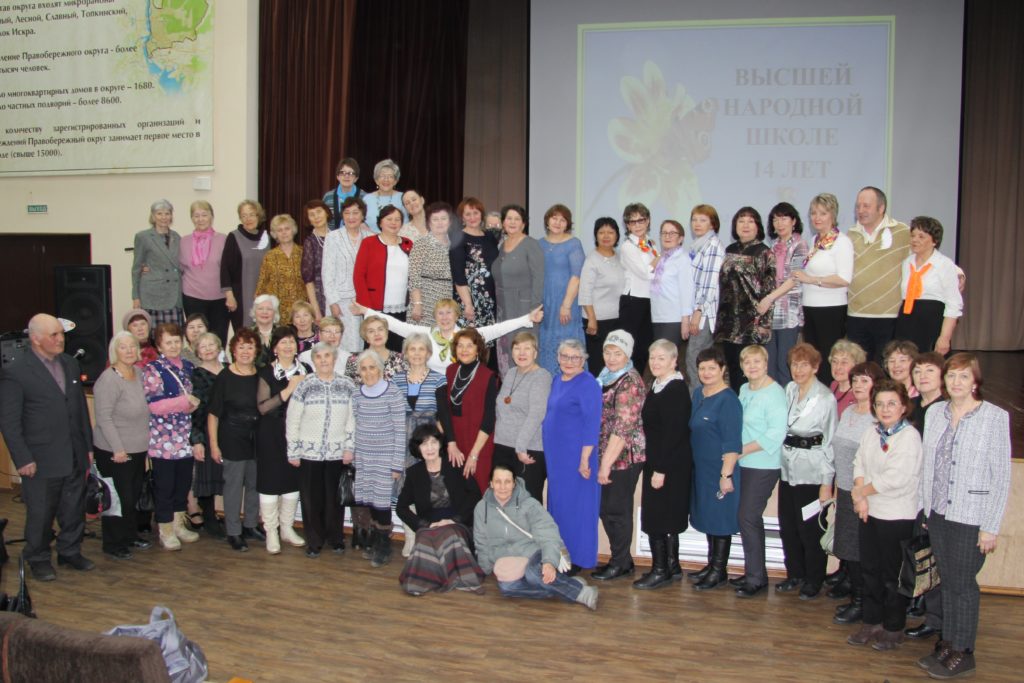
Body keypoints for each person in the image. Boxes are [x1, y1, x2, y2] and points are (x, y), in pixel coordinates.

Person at [918, 353, 1011, 679]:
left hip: (971, 515)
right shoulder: (935, 413)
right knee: (947, 581)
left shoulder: (994, 417)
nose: (956, 382)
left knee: (963, 585)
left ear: (975, 382)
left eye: (963, 376)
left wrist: (990, 527)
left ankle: (964, 652)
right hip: (939, 512)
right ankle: (949, 643)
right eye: (951, 376)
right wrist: (926, 508)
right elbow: (928, 465)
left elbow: (1001, 477)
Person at [0, 314, 94, 581]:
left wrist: (87, 446)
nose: (60, 339)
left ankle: (70, 551)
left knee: (73, 509)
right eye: (53, 335)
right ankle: (38, 557)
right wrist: (22, 458)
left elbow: (79, 409)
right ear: (35, 338)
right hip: (41, 457)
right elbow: (9, 421)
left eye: (61, 333)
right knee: (41, 513)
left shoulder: (69, 364)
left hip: (74, 451)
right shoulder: (16, 371)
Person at [846, 379, 922, 651]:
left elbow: (896, 478)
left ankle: (893, 627)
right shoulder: (871, 432)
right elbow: (859, 463)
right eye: (879, 404)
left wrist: (860, 493)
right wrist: (861, 496)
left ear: (903, 407)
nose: (885, 409)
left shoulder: (909, 437)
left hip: (897, 515)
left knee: (892, 576)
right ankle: (872, 621)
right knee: (870, 571)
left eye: (891, 404)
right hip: (869, 510)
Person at [473, 464, 599, 610]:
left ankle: (583, 593)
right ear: (491, 483)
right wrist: (486, 569)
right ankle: (568, 585)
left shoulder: (530, 504)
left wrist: (549, 562)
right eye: (498, 481)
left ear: (514, 483)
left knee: (533, 573)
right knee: (507, 588)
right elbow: (481, 541)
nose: (502, 487)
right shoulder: (481, 508)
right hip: (508, 560)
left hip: (534, 552)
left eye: (507, 481)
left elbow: (548, 533)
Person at [776, 342, 836, 600]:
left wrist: (826, 482)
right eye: (794, 365)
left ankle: (814, 579)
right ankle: (795, 574)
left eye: (804, 365)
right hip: (787, 468)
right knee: (788, 526)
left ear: (815, 367)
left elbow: (829, 442)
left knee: (810, 529)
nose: (798, 370)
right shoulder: (789, 389)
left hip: (812, 471)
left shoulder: (825, 398)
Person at [286, 342, 357, 558]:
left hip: (337, 453)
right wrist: (293, 451)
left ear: (335, 359)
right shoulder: (304, 385)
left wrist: (349, 447)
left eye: (328, 356)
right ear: (313, 360)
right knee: (311, 499)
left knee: (335, 499)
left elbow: (352, 419)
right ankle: (314, 541)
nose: (324, 360)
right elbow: (292, 419)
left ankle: (336, 538)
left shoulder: (347, 384)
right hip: (309, 453)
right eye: (319, 357)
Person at [397, 424, 484, 596]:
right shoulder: (414, 473)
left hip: (457, 523)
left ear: (440, 444)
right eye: (424, 444)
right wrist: (424, 525)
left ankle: (457, 579)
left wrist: (455, 520)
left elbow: (475, 494)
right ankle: (422, 581)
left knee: (449, 534)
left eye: (433, 442)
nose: (429, 448)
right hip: (431, 526)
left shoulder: (455, 463)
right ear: (418, 448)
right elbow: (401, 507)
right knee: (424, 537)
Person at [633, 339, 692, 590]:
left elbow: (674, 434)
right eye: (652, 357)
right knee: (663, 514)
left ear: (673, 361)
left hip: (668, 464)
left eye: (661, 358)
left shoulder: (675, 389)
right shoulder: (658, 385)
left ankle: (660, 570)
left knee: (658, 516)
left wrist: (661, 470)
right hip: (658, 460)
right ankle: (672, 565)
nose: (655, 362)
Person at [830, 360, 886, 625]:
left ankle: (863, 603)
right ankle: (857, 597)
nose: (858, 385)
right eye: (855, 380)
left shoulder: (878, 418)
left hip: (865, 494)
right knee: (849, 550)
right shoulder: (849, 412)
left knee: (862, 552)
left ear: (876, 384)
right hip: (844, 489)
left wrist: (862, 493)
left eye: (865, 380)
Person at [354, 298, 541, 375]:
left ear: (456, 315)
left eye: (449, 313)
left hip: (460, 387)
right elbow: (396, 325)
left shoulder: (466, 336)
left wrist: (527, 319)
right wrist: (367, 311)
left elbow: (498, 329)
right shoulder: (426, 334)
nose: (444, 318)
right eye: (440, 313)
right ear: (435, 317)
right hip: (433, 389)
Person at [542, 339, 602, 573]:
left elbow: (591, 424)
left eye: (575, 357)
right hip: (557, 457)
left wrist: (585, 459)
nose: (569, 361)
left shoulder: (588, 384)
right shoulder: (557, 380)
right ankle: (560, 556)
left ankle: (578, 559)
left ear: (583, 360)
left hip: (577, 457)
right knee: (559, 506)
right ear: (558, 358)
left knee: (578, 509)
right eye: (565, 356)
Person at [592, 330, 646, 581]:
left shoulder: (630, 382)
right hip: (608, 453)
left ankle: (620, 562)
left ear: (628, 355)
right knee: (607, 509)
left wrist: (605, 464)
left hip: (623, 457)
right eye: (608, 352)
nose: (611, 358)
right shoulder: (605, 376)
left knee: (616, 510)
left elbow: (623, 427)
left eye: (618, 353)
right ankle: (622, 560)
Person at [687, 345, 743, 591]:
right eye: (702, 368)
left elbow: (732, 443)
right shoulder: (699, 394)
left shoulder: (729, 401)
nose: (706, 373)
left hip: (720, 469)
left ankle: (720, 571)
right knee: (708, 515)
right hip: (701, 469)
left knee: (720, 519)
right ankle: (711, 565)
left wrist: (726, 475)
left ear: (722, 370)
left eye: (712, 368)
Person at [733, 344, 787, 597]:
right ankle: (752, 572)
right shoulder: (744, 389)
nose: (752, 366)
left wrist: (741, 450)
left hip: (763, 464)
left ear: (766, 364)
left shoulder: (775, 393)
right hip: (744, 462)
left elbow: (776, 433)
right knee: (745, 518)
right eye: (747, 362)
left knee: (748, 517)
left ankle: (757, 577)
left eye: (757, 361)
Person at [92, 332, 151, 560]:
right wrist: (117, 449)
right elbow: (104, 418)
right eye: (123, 347)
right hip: (114, 450)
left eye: (132, 346)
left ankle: (129, 535)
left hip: (137, 448)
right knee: (117, 498)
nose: (128, 351)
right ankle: (113, 543)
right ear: (114, 351)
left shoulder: (139, 373)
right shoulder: (108, 380)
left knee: (132, 496)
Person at [142, 322, 200, 551]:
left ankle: (178, 524)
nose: (174, 346)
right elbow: (154, 405)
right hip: (163, 440)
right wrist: (184, 402)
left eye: (177, 341)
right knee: (165, 486)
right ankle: (165, 530)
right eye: (168, 342)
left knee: (183, 483)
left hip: (185, 437)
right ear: (159, 346)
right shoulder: (152, 369)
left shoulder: (188, 366)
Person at [208, 328, 264, 552]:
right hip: (232, 437)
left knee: (254, 484)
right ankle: (233, 531)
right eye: (241, 347)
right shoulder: (225, 376)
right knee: (233, 487)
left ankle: (250, 525)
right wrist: (214, 445)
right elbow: (213, 414)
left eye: (250, 347)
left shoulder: (261, 374)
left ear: (256, 351)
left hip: (256, 437)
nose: (246, 351)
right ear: (233, 350)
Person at [255, 327, 310, 554]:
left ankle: (287, 528)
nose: (288, 346)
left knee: (291, 480)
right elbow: (262, 407)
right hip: (271, 432)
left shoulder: (306, 370)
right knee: (269, 481)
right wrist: (288, 390)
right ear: (275, 348)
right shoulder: (265, 372)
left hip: (297, 433)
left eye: (291, 342)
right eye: (283, 342)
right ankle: (271, 531)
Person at [352, 350, 409, 568]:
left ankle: (384, 546)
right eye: (364, 368)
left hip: (385, 458)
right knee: (369, 501)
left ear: (380, 369)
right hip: (363, 457)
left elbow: (400, 431)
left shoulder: (393, 393)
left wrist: (396, 464)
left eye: (372, 367)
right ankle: (375, 541)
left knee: (382, 503)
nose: (368, 372)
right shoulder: (357, 395)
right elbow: (353, 426)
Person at [792, 193, 854, 383]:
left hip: (831, 309)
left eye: (822, 213)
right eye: (813, 213)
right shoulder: (814, 241)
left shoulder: (842, 241)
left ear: (833, 215)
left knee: (828, 359)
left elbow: (844, 278)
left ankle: (830, 394)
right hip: (811, 307)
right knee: (813, 358)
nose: (817, 218)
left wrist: (812, 280)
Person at [845, 187, 911, 361]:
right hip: (856, 314)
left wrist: (957, 272)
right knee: (859, 368)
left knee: (885, 366)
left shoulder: (902, 232)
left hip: (888, 315)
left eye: (866, 206)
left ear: (881, 208)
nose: (860, 210)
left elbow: (923, 255)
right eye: (858, 206)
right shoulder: (850, 234)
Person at [715, 207, 776, 392]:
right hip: (728, 322)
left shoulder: (764, 252)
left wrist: (764, 323)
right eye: (741, 221)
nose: (745, 225)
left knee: (750, 372)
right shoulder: (729, 249)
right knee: (733, 370)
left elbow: (769, 289)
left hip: (751, 323)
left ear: (758, 226)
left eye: (750, 221)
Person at [435, 328, 499, 496]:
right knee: (457, 489)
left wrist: (474, 455)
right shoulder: (450, 371)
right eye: (460, 345)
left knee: (479, 485)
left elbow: (489, 418)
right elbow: (444, 409)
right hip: (454, 439)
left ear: (478, 349)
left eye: (469, 346)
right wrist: (450, 441)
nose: (464, 350)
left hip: (478, 441)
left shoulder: (488, 376)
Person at [493, 332, 551, 502]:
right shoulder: (511, 373)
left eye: (527, 348)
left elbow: (537, 414)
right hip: (503, 446)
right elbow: (502, 407)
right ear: (511, 352)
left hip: (527, 449)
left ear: (535, 353)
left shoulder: (542, 376)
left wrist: (520, 447)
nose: (522, 353)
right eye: (517, 348)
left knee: (527, 502)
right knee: (504, 501)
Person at [894, 216, 963, 355]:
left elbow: (954, 304)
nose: (914, 240)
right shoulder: (907, 262)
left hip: (932, 322)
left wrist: (945, 338)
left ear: (934, 241)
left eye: (921, 236)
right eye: (913, 235)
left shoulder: (944, 264)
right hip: (907, 321)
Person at [353, 205, 414, 351]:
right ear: (380, 222)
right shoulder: (369, 243)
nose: (394, 222)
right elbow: (358, 275)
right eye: (389, 219)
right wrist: (367, 308)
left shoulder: (408, 243)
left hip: (402, 306)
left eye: (397, 219)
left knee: (398, 347)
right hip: (375, 307)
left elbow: (414, 274)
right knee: (375, 347)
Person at [492, 204, 544, 373]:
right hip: (503, 309)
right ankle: (508, 386)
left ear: (523, 224)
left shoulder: (531, 244)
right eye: (509, 218)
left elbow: (539, 278)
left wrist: (535, 307)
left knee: (523, 350)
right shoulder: (502, 245)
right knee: (506, 351)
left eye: (517, 219)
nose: (512, 222)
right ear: (503, 222)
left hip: (524, 309)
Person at [322, 196, 376, 353]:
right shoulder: (333, 237)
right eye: (347, 213)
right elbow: (327, 272)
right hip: (339, 300)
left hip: (363, 300)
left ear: (362, 215)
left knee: (359, 345)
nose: (351, 217)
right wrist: (332, 302)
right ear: (342, 216)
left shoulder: (370, 238)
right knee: (337, 344)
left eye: (355, 212)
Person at [537, 204, 586, 377]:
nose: (558, 223)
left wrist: (566, 305)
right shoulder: (539, 244)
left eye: (562, 220)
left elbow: (576, 277)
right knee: (545, 344)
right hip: (545, 303)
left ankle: (569, 382)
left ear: (568, 224)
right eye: (554, 218)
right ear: (547, 221)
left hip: (566, 302)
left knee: (567, 343)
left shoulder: (573, 243)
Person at [763, 202, 808, 384]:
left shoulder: (800, 245)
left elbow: (795, 277)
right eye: (775, 219)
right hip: (771, 313)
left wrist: (770, 298)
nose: (779, 223)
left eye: (784, 218)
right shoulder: (773, 246)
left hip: (788, 312)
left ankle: (787, 400)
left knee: (785, 363)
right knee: (770, 364)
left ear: (793, 221)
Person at [188, 331, 226, 538]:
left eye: (212, 344)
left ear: (219, 347)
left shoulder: (230, 369)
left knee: (226, 476)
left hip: (229, 431)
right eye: (203, 346)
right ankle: (209, 518)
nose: (208, 349)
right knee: (207, 476)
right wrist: (197, 440)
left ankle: (226, 516)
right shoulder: (196, 375)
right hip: (205, 429)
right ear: (198, 352)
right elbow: (195, 411)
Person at [685, 204, 726, 391]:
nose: (697, 224)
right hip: (698, 310)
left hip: (704, 313)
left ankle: (699, 401)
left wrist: (698, 311)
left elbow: (710, 283)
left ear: (712, 224)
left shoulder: (713, 246)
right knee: (696, 359)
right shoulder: (698, 245)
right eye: (694, 220)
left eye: (703, 220)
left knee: (695, 359)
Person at [180, 201, 230, 343]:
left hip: (219, 298)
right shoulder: (183, 241)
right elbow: (176, 267)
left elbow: (229, 269)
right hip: (192, 297)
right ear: (192, 218)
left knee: (218, 339)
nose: (200, 219)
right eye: (196, 216)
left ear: (211, 217)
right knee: (196, 339)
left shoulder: (223, 239)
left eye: (204, 215)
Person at [579, 217, 625, 367]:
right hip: (597, 321)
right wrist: (592, 318)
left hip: (617, 319)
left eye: (610, 232)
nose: (606, 236)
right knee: (598, 363)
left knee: (615, 362)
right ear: (596, 235)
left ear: (617, 235)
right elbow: (585, 292)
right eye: (601, 232)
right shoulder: (592, 260)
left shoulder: (620, 257)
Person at [220, 199, 269, 338]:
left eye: (252, 214)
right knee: (244, 338)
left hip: (264, 298)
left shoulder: (266, 237)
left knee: (263, 337)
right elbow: (225, 268)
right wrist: (229, 296)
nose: (248, 219)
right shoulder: (234, 237)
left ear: (258, 216)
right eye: (244, 215)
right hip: (241, 299)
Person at [617, 202, 657, 371]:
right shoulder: (628, 247)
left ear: (648, 221)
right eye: (633, 222)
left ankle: (637, 383)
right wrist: (660, 258)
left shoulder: (650, 244)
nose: (638, 225)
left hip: (649, 300)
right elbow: (646, 273)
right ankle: (626, 383)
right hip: (633, 300)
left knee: (644, 348)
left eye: (641, 220)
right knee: (630, 349)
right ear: (627, 225)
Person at [132, 199, 184, 326]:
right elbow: (136, 268)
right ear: (153, 216)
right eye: (159, 213)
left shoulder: (177, 237)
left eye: (167, 213)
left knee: (174, 333)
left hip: (174, 295)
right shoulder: (143, 237)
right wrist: (136, 296)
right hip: (152, 295)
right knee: (153, 334)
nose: (163, 217)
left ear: (171, 216)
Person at [451, 196, 499, 329]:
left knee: (488, 337)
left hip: (490, 297)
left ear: (481, 215)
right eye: (468, 214)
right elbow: (458, 276)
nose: (472, 217)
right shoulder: (458, 238)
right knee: (469, 338)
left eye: (475, 213)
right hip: (469, 299)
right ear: (462, 217)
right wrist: (468, 304)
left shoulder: (490, 237)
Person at [649, 219, 694, 358]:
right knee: (660, 358)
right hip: (657, 316)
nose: (667, 236)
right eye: (664, 233)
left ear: (681, 238)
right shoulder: (660, 258)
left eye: (672, 233)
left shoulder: (683, 259)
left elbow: (687, 291)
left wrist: (685, 320)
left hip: (674, 318)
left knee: (667, 358)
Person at [407, 201, 455, 326]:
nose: (440, 222)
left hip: (448, 300)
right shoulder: (421, 243)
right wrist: (417, 304)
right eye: (435, 219)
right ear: (429, 222)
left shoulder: (455, 245)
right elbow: (414, 276)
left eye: (443, 218)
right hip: (425, 300)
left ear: (450, 221)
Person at [255, 214, 306, 325]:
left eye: (287, 229)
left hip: (300, 310)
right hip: (277, 310)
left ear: (293, 230)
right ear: (275, 234)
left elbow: (311, 283)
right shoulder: (269, 256)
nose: (284, 233)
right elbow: (261, 284)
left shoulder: (304, 253)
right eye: (279, 230)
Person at [343, 315, 407, 381]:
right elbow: (348, 386)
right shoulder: (354, 360)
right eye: (371, 331)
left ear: (387, 333)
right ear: (366, 337)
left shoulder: (401, 359)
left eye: (380, 329)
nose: (377, 334)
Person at [300, 199, 332, 320]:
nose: (316, 217)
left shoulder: (338, 237)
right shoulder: (310, 242)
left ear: (326, 213)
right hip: (320, 296)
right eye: (312, 214)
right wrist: (316, 310)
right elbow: (308, 280)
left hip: (340, 295)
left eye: (319, 212)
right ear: (308, 219)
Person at [362, 158, 409, 229]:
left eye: (390, 176)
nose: (386, 179)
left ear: (395, 181)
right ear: (376, 180)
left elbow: (406, 225)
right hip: (371, 235)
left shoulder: (403, 197)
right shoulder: (367, 199)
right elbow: (361, 224)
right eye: (382, 176)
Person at [322, 157, 365, 230]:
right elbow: (323, 222)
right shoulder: (328, 197)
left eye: (351, 173)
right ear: (337, 176)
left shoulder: (365, 197)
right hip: (332, 236)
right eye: (342, 172)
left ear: (356, 178)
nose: (346, 176)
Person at [829, 339, 868, 418]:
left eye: (844, 362)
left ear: (856, 365)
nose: (838, 367)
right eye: (834, 361)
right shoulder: (833, 385)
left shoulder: (859, 393)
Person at [250, 294, 282, 368]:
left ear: (275, 313)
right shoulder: (247, 334)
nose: (264, 312)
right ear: (254, 312)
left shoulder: (283, 333)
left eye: (269, 309)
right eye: (260, 308)